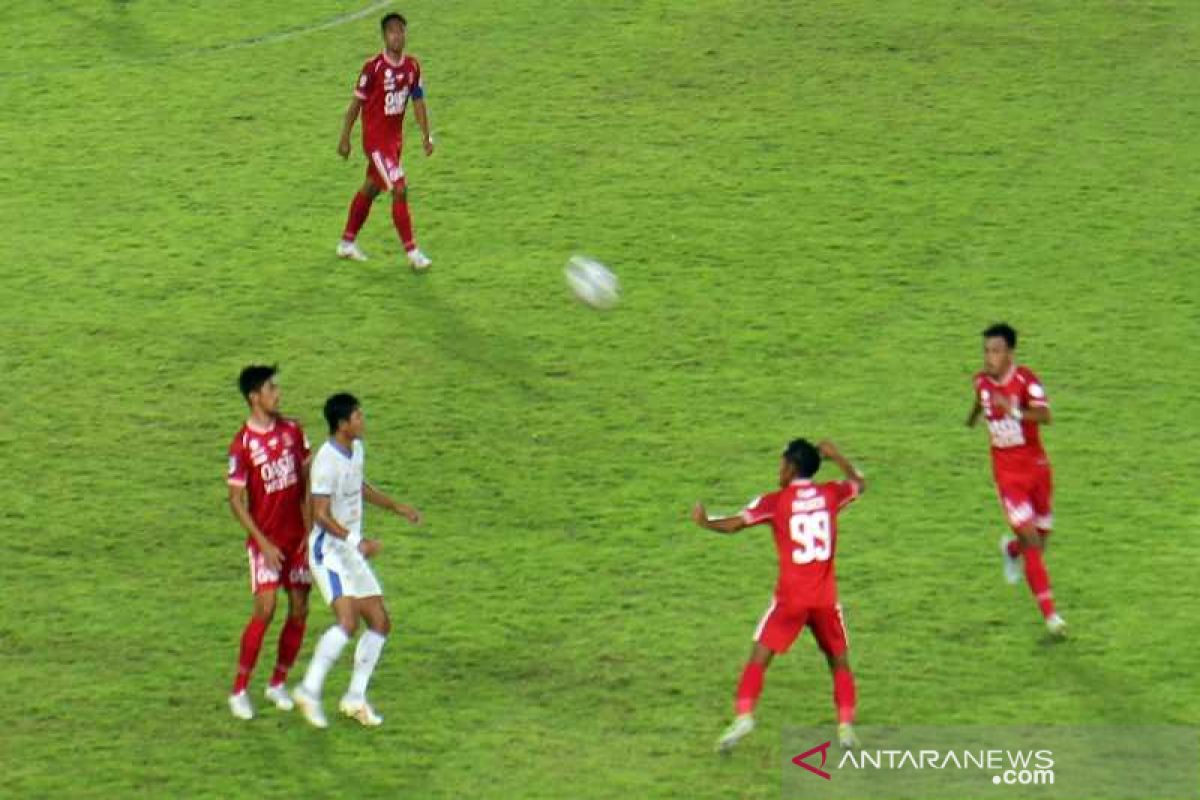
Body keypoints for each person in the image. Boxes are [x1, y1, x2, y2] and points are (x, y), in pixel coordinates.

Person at [693, 439, 866, 753]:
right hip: (825, 599)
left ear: (791, 467)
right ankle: (845, 727)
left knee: (759, 657)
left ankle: (744, 715)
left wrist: (706, 522)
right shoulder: (831, 494)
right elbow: (859, 484)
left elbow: (734, 525)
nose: (779, 470)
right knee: (838, 661)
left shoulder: (775, 502)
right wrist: (837, 455)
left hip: (791, 600)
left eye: (782, 464)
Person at [292, 393, 422, 728]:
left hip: (351, 550)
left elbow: (358, 486)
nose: (363, 421)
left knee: (380, 622)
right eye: (358, 416)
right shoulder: (326, 460)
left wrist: (396, 507)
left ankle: (354, 698)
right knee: (347, 622)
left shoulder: (356, 450)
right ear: (342, 423)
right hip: (329, 551)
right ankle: (308, 690)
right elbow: (320, 514)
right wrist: (356, 541)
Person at [967, 323, 1067, 636]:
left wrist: (1015, 411)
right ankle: (1051, 616)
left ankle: (1011, 550)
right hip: (1008, 476)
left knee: (1039, 540)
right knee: (1034, 542)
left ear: (1010, 353)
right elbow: (981, 400)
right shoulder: (981, 382)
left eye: (996, 351)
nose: (989, 357)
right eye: (986, 350)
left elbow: (1046, 416)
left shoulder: (1026, 380)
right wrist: (972, 418)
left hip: (1037, 470)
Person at [226, 365, 312, 720]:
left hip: (297, 540)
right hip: (267, 543)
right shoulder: (242, 444)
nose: (277, 393)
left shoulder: (294, 430)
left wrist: (309, 536)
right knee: (265, 608)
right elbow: (235, 500)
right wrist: (261, 543)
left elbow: (308, 484)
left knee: (299, 609)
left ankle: (277, 683)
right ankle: (239, 690)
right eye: (270, 388)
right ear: (254, 397)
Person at [335, 12, 434, 270]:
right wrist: (345, 138)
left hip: (394, 144)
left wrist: (426, 135)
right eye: (391, 31)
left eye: (400, 30)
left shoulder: (412, 67)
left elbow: (419, 101)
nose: (397, 35)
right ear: (384, 36)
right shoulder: (374, 67)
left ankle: (346, 243)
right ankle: (413, 253)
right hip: (376, 142)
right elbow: (355, 104)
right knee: (399, 188)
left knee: (371, 188)